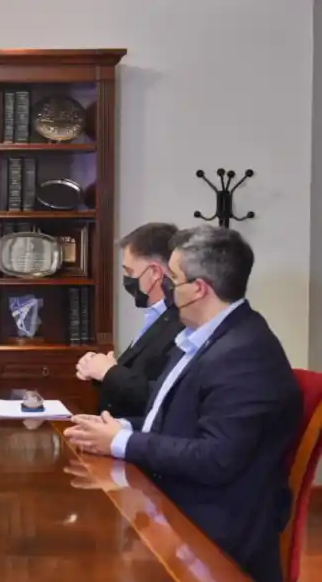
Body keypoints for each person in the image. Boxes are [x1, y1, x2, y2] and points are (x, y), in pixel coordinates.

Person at [64, 225, 302, 582]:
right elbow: (169, 416)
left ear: (198, 289)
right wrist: (117, 428)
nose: (167, 288)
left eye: (173, 278)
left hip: (211, 533)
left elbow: (216, 459)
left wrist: (121, 441)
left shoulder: (246, 353)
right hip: (172, 502)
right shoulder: (198, 338)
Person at [75, 223, 184, 417]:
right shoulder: (156, 315)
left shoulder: (182, 322)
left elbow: (164, 396)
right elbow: (138, 375)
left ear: (155, 273)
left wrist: (110, 372)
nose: (127, 279)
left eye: (130, 272)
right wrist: (98, 369)